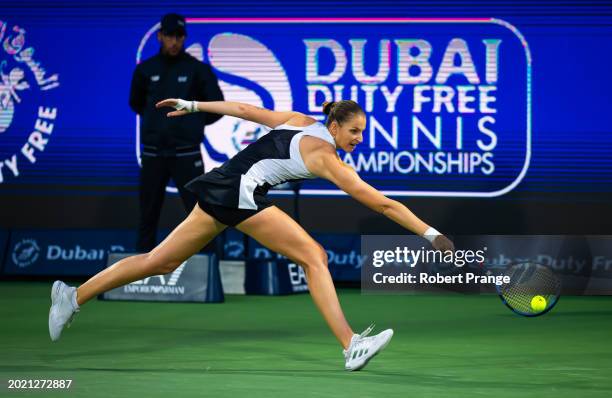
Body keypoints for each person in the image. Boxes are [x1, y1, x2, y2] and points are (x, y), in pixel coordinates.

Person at [48, 99, 454, 371]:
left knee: (162, 260)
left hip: (227, 186)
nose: (359, 140)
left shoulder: (299, 121)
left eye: (363, 133)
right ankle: (351, 345)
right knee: (315, 257)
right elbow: (382, 204)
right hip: (240, 192)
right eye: (355, 132)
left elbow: (244, 110)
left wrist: (194, 105)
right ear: (334, 126)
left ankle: (73, 296)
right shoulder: (327, 158)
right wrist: (431, 233)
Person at [129, 13, 224, 252]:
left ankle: (210, 272)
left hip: (186, 154)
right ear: (160, 36)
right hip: (153, 154)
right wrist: (157, 125)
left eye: (179, 36)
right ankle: (139, 277)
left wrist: (192, 126)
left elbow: (217, 105)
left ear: (184, 38)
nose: (174, 41)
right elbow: (136, 103)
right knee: (147, 215)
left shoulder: (197, 70)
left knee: (201, 214)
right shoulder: (145, 70)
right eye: (170, 35)